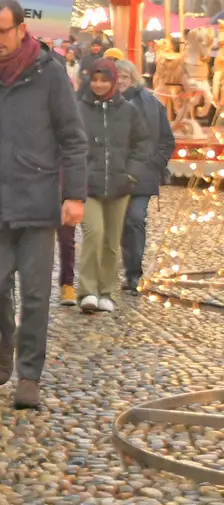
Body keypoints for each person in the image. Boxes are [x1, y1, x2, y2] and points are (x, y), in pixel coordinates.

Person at [0, 0, 87, 410]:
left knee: (35, 295)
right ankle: (6, 335)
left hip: (38, 201)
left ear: (21, 29)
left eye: (2, 31)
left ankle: (30, 376)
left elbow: (73, 138)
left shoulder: (50, 74)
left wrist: (75, 194)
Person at [76, 59, 151, 315]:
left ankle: (105, 290)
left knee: (110, 240)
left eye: (104, 80)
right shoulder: (79, 109)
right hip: (89, 186)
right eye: (95, 79)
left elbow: (142, 143)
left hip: (120, 186)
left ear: (113, 82)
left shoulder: (128, 111)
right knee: (93, 234)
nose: (99, 84)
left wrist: (131, 173)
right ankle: (87, 290)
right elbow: (69, 143)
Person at [116, 58, 173, 294]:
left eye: (124, 77)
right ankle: (118, 271)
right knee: (117, 225)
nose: (119, 81)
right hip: (113, 175)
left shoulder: (150, 103)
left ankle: (133, 273)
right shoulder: (103, 103)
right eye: (116, 77)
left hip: (142, 175)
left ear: (133, 78)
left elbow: (166, 140)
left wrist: (154, 164)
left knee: (135, 219)